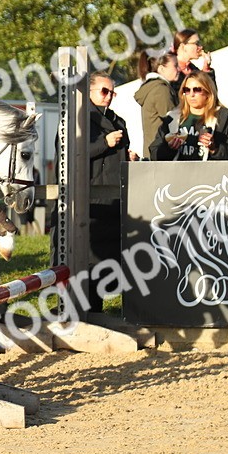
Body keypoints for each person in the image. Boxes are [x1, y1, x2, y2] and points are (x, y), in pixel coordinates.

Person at [86, 71, 131, 313]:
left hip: (116, 199)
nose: (109, 96)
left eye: (112, 92)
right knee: (92, 261)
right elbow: (72, 153)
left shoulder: (117, 121)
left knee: (114, 259)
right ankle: (91, 311)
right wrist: (104, 143)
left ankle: (119, 310)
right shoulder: (78, 120)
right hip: (92, 201)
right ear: (90, 92)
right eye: (104, 91)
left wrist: (129, 156)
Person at [150, 71, 228, 161]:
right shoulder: (172, 118)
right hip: (177, 171)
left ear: (208, 92)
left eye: (197, 90)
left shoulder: (222, 118)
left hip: (208, 171)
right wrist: (168, 149)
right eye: (187, 90)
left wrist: (215, 149)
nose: (191, 94)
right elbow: (154, 154)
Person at [134, 52, 179, 159]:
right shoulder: (161, 90)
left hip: (153, 152)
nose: (178, 69)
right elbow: (173, 123)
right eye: (175, 66)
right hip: (160, 153)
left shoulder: (152, 87)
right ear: (161, 69)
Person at [169, 29, 215, 99]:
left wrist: (206, 68)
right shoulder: (170, 71)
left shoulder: (192, 69)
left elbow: (210, 95)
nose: (200, 47)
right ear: (183, 46)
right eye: (196, 43)